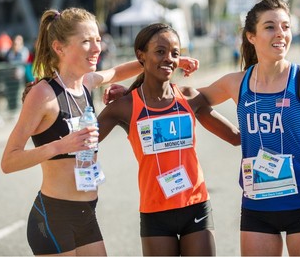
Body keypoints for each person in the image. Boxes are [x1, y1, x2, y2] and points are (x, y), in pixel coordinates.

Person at [0, 8, 197, 256]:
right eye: (86, 41)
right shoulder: (43, 94)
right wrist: (61, 146)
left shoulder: (86, 83)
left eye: (97, 39)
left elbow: (118, 71)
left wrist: (171, 61)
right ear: (59, 48)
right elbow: (9, 161)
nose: (97, 48)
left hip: (86, 215)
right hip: (54, 218)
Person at [195, 0, 300, 256]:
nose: (281, 34)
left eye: (286, 26)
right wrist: (231, 135)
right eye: (270, 26)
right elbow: (188, 101)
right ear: (251, 36)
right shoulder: (237, 83)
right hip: (257, 208)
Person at [97, 23, 240, 256]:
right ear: (141, 56)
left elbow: (235, 138)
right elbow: (83, 142)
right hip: (155, 213)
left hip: (196, 205)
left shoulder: (190, 97)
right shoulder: (125, 106)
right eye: (160, 51)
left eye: (175, 53)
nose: (169, 59)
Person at [5, 34, 30, 112]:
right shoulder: (9, 52)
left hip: (22, 78)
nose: (16, 44)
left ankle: (19, 111)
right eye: (15, 43)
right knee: (10, 95)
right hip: (10, 77)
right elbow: (8, 61)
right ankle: (12, 110)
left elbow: (22, 61)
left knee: (20, 95)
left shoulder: (24, 51)